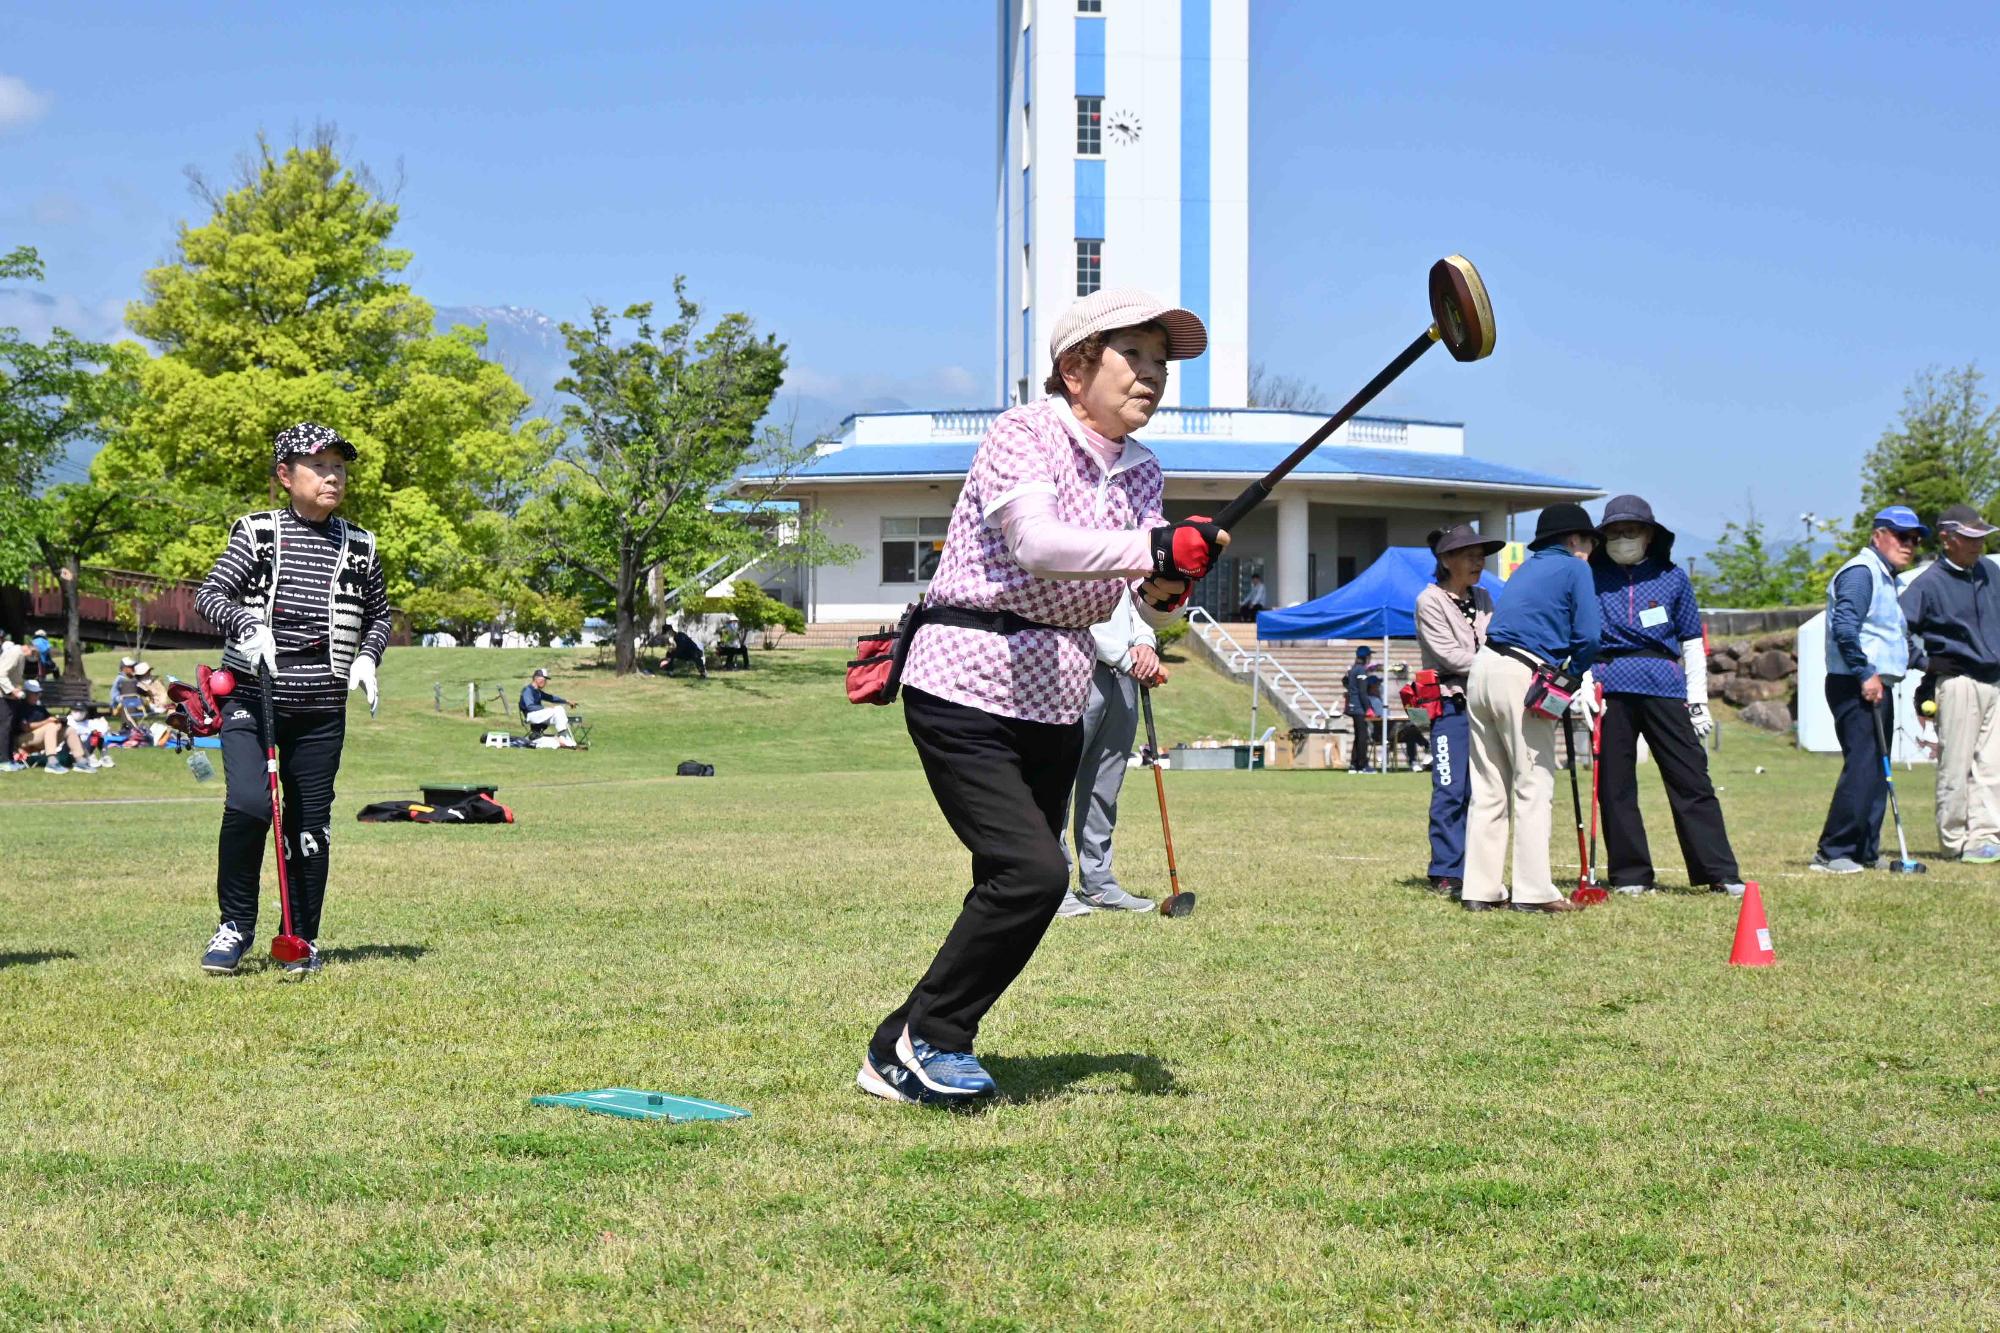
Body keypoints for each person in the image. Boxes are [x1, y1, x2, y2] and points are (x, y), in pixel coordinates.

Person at [858, 286, 1219, 1107]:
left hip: (1056, 696)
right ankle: (936, 1038)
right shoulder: (1025, 431)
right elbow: (1039, 542)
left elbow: (1138, 598)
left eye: (1163, 362)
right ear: (1075, 366)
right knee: (1033, 872)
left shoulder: (1143, 471)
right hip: (964, 678)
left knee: (1014, 879)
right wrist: (1152, 544)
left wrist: (1169, 582)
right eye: (1137, 355)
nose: (1155, 376)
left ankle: (895, 1046)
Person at [193, 422, 392, 978]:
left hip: (322, 707)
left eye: (340, 468)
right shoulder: (257, 532)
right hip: (252, 699)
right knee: (252, 806)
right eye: (320, 466)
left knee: (308, 824)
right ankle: (234, 926)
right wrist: (246, 623)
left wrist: (368, 656)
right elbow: (209, 594)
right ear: (286, 476)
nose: (333, 477)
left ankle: (301, 936)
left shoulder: (362, 544)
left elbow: (380, 615)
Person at [1589, 495, 1745, 896]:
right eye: (1614, 532)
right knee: (1615, 786)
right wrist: (1585, 686)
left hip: (1665, 684)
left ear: (1649, 535)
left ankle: (1719, 872)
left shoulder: (1673, 577)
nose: (1623, 538)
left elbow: (1692, 642)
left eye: (1631, 531)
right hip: (1611, 685)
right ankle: (1630, 875)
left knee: (1691, 778)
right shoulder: (1589, 576)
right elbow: (1581, 638)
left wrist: (1698, 701)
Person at [1461, 503, 1602, 913]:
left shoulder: (1523, 569)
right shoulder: (1576, 569)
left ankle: (1480, 890)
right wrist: (1574, 674)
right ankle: (1534, 891)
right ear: (1575, 540)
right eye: (1590, 541)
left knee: (1488, 786)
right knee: (1533, 782)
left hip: (1483, 668)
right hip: (1523, 671)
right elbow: (1589, 635)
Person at [1813, 506, 1927, 873]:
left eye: (1914, 539)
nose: (1909, 545)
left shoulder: (1887, 578)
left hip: (1876, 683)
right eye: (1900, 536)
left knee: (1878, 768)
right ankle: (1833, 852)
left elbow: (1892, 638)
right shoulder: (1862, 573)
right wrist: (1865, 673)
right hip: (1856, 683)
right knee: (1863, 765)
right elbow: (1845, 628)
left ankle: (1864, 849)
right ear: (1877, 535)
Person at [1897, 503, 2000, 863]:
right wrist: (1924, 663)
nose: (1979, 545)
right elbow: (1896, 630)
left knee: (1992, 766)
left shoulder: (1991, 572)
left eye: (1982, 538)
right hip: (1956, 682)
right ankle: (1954, 842)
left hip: (1995, 681)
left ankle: (1985, 838)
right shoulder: (1927, 583)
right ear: (1947, 538)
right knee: (1956, 765)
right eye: (1971, 539)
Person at [1057, 589, 1169, 917]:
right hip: (1079, 667)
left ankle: (1098, 883)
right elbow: (1076, 615)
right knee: (1058, 784)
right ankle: (1053, 885)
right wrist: (1126, 657)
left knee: (1104, 787)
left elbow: (1139, 603)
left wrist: (1146, 643)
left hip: (1125, 676)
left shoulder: (1128, 541)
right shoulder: (1076, 541)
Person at [1414, 523, 1502, 895]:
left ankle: (1480, 868)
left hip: (1487, 703)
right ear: (1446, 560)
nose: (1479, 561)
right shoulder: (1429, 600)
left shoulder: (1483, 597)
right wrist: (1498, 665)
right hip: (1451, 705)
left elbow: (1497, 639)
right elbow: (1448, 654)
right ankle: (1446, 870)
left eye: (1481, 554)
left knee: (1487, 790)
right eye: (1469, 554)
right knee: (1450, 788)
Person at [17, 680, 95, 772]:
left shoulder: (40, 708)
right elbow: (24, 727)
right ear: (26, 693)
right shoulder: (20, 707)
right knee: (50, 726)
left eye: (38, 693)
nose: (37, 696)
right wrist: (47, 722)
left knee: (69, 729)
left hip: (41, 737)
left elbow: (50, 720)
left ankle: (80, 761)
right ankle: (52, 762)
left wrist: (60, 722)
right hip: (23, 739)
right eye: (34, 693)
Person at [1343, 646, 1383, 772]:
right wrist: (1369, 708)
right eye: (1369, 655)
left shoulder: (1354, 668)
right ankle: (1363, 765)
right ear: (1366, 657)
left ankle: (1354, 765)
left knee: (1358, 736)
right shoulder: (1360, 670)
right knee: (1363, 737)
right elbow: (1362, 692)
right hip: (1359, 707)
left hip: (1354, 706)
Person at [519, 668, 580, 746]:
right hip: (530, 716)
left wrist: (566, 701)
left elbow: (551, 698)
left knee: (559, 710)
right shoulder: (528, 690)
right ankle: (562, 737)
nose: (545, 682)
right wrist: (546, 709)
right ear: (536, 678)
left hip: (537, 716)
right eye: (544, 679)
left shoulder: (537, 691)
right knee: (557, 709)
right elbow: (530, 707)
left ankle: (563, 737)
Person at [0, 632, 25, 771]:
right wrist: (11, 690)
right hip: (3, 696)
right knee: (4, 727)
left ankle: (8, 759)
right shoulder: (9, 653)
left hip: (8, 696)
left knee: (8, 726)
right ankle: (3, 760)